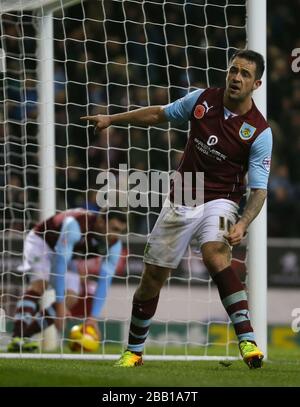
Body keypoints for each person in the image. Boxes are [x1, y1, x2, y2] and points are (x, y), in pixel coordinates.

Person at [81, 50, 272, 369]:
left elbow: (259, 189)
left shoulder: (260, 131)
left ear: (257, 83)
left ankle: (247, 339)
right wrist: (111, 119)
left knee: (214, 253)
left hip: (223, 198)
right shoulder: (203, 100)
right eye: (233, 70)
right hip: (184, 192)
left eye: (245, 74)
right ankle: (134, 351)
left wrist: (243, 223)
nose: (236, 77)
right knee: (153, 275)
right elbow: (159, 114)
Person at [8, 207, 126, 352]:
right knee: (40, 284)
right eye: (113, 228)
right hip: (42, 242)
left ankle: (23, 337)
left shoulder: (114, 245)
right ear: (101, 221)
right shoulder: (76, 224)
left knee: (71, 298)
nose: (115, 234)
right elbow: (59, 261)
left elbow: (104, 281)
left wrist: (92, 318)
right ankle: (17, 335)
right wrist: (59, 304)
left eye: (120, 231)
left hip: (68, 256)